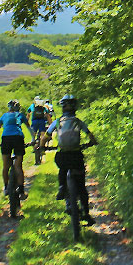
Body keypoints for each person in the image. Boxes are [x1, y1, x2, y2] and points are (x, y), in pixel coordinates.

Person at [43, 94, 98, 225]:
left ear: (63, 107)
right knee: (82, 186)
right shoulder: (78, 121)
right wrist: (93, 142)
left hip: (62, 155)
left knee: (62, 168)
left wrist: (41, 147)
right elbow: (90, 135)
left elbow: (45, 137)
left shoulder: (57, 122)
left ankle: (62, 187)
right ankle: (86, 214)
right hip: (76, 155)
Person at [0, 99, 35, 198]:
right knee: (18, 166)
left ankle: (6, 188)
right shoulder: (21, 115)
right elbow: (29, 128)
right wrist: (33, 140)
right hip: (18, 138)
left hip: (6, 139)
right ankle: (21, 190)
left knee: (5, 166)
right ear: (18, 108)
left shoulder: (4, 116)